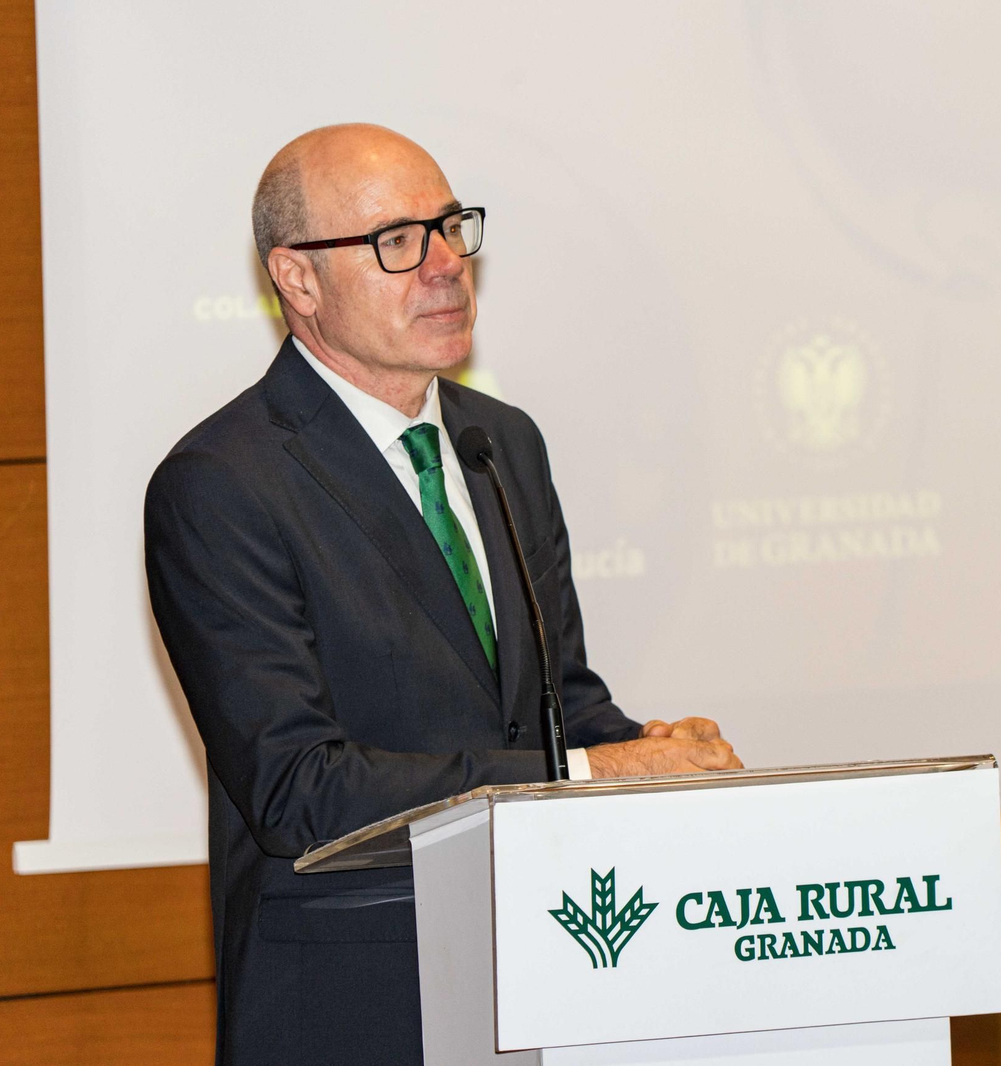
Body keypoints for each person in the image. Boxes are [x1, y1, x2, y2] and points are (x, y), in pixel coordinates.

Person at [145, 123, 740, 1066]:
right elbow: (299, 791)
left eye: (452, 227)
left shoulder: (502, 440)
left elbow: (559, 705)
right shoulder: (224, 482)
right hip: (354, 1004)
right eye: (396, 241)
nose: (445, 266)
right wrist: (593, 776)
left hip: (548, 977)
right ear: (297, 280)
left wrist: (658, 755)